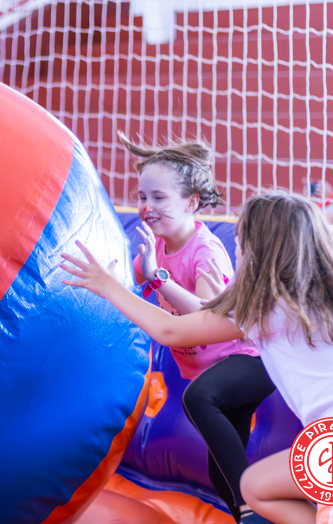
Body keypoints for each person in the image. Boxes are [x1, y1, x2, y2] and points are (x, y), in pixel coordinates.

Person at [61, 192, 333, 524]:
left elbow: (172, 331)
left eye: (239, 241)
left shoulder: (270, 305)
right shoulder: (321, 295)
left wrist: (109, 286)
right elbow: (213, 316)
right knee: (255, 487)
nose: (235, 248)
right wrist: (176, 285)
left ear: (256, 249)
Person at [118, 132, 274, 524]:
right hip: (212, 371)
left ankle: (250, 506)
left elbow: (209, 316)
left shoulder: (205, 251)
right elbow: (129, 282)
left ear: (190, 202)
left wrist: (160, 278)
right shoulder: (156, 247)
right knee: (220, 474)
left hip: (247, 360)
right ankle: (249, 514)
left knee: (199, 398)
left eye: (159, 198)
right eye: (142, 197)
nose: (147, 207)